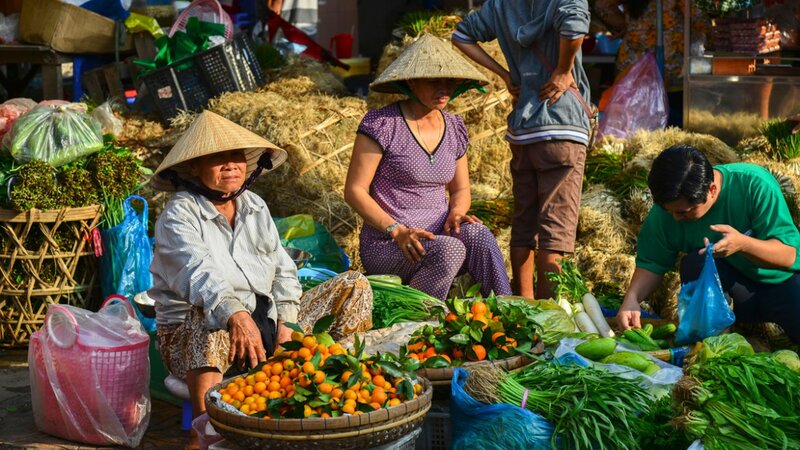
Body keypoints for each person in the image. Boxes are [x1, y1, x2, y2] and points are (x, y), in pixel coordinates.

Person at [148, 111, 372, 447]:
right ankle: (205, 429)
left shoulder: (254, 205)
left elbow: (282, 269)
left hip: (263, 323)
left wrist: (287, 322)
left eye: (236, 157)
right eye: (217, 158)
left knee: (354, 284)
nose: (231, 165)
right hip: (191, 340)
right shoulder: (179, 214)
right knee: (208, 312)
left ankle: (331, 383)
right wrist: (236, 315)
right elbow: (199, 274)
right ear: (193, 167)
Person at [344, 34, 512, 301]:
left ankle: (507, 311)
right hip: (390, 243)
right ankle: (418, 323)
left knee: (479, 235)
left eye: (449, 82)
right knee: (450, 250)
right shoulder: (383, 124)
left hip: (439, 233)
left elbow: (461, 188)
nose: (444, 89)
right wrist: (396, 230)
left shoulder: (454, 127)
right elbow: (355, 190)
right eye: (434, 81)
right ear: (411, 81)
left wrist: (457, 213)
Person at [452, 0, 593, 299]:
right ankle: (547, 315)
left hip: (524, 129)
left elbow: (461, 36)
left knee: (525, 225)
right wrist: (562, 70)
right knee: (556, 231)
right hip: (561, 123)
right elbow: (575, 26)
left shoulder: (501, 4)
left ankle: (524, 304)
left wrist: (505, 74)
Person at [616, 145, 800, 343]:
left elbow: (788, 255)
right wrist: (632, 298)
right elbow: (652, 264)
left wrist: (743, 244)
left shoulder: (753, 184)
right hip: (735, 290)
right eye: (670, 211)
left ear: (712, 190)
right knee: (697, 262)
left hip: (782, 283)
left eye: (685, 212)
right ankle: (716, 342)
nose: (676, 218)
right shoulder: (667, 210)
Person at [592, 0, 702, 127]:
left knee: (631, 123)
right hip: (669, 67)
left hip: (633, 67)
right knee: (669, 124)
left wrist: (625, 25)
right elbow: (698, 16)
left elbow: (602, 5)